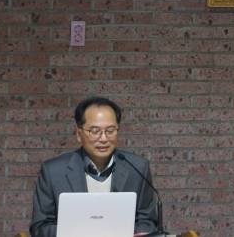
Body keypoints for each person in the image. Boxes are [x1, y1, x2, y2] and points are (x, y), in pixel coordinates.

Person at [29, 96, 161, 237]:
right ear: (79, 134)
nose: (103, 138)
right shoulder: (53, 171)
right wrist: (81, 232)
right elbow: (40, 227)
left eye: (110, 130)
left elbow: (148, 221)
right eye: (95, 131)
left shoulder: (137, 168)